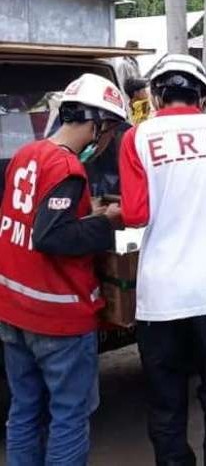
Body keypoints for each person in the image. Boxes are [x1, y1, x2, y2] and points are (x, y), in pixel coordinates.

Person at [119, 54, 206, 465]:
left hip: (161, 300)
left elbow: (136, 215)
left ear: (157, 95)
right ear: (203, 95)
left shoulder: (136, 137)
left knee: (167, 402)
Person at [0, 73, 126, 464]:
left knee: (24, 409)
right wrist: (107, 222)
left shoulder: (28, 153)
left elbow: (32, 217)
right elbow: (53, 237)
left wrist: (87, 214)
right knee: (68, 416)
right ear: (96, 124)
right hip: (55, 316)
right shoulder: (67, 169)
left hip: (12, 307)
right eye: (107, 131)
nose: (106, 142)